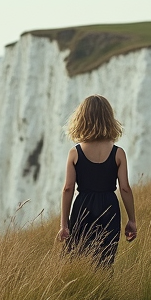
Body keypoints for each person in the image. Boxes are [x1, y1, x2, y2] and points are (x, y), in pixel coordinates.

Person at [57, 95, 137, 265]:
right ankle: (104, 290)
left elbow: (68, 188)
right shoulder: (118, 153)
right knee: (105, 259)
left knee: (76, 257)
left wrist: (64, 224)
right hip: (109, 206)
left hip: (82, 207)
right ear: (109, 119)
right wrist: (132, 219)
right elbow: (125, 189)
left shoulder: (75, 153)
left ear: (82, 119)